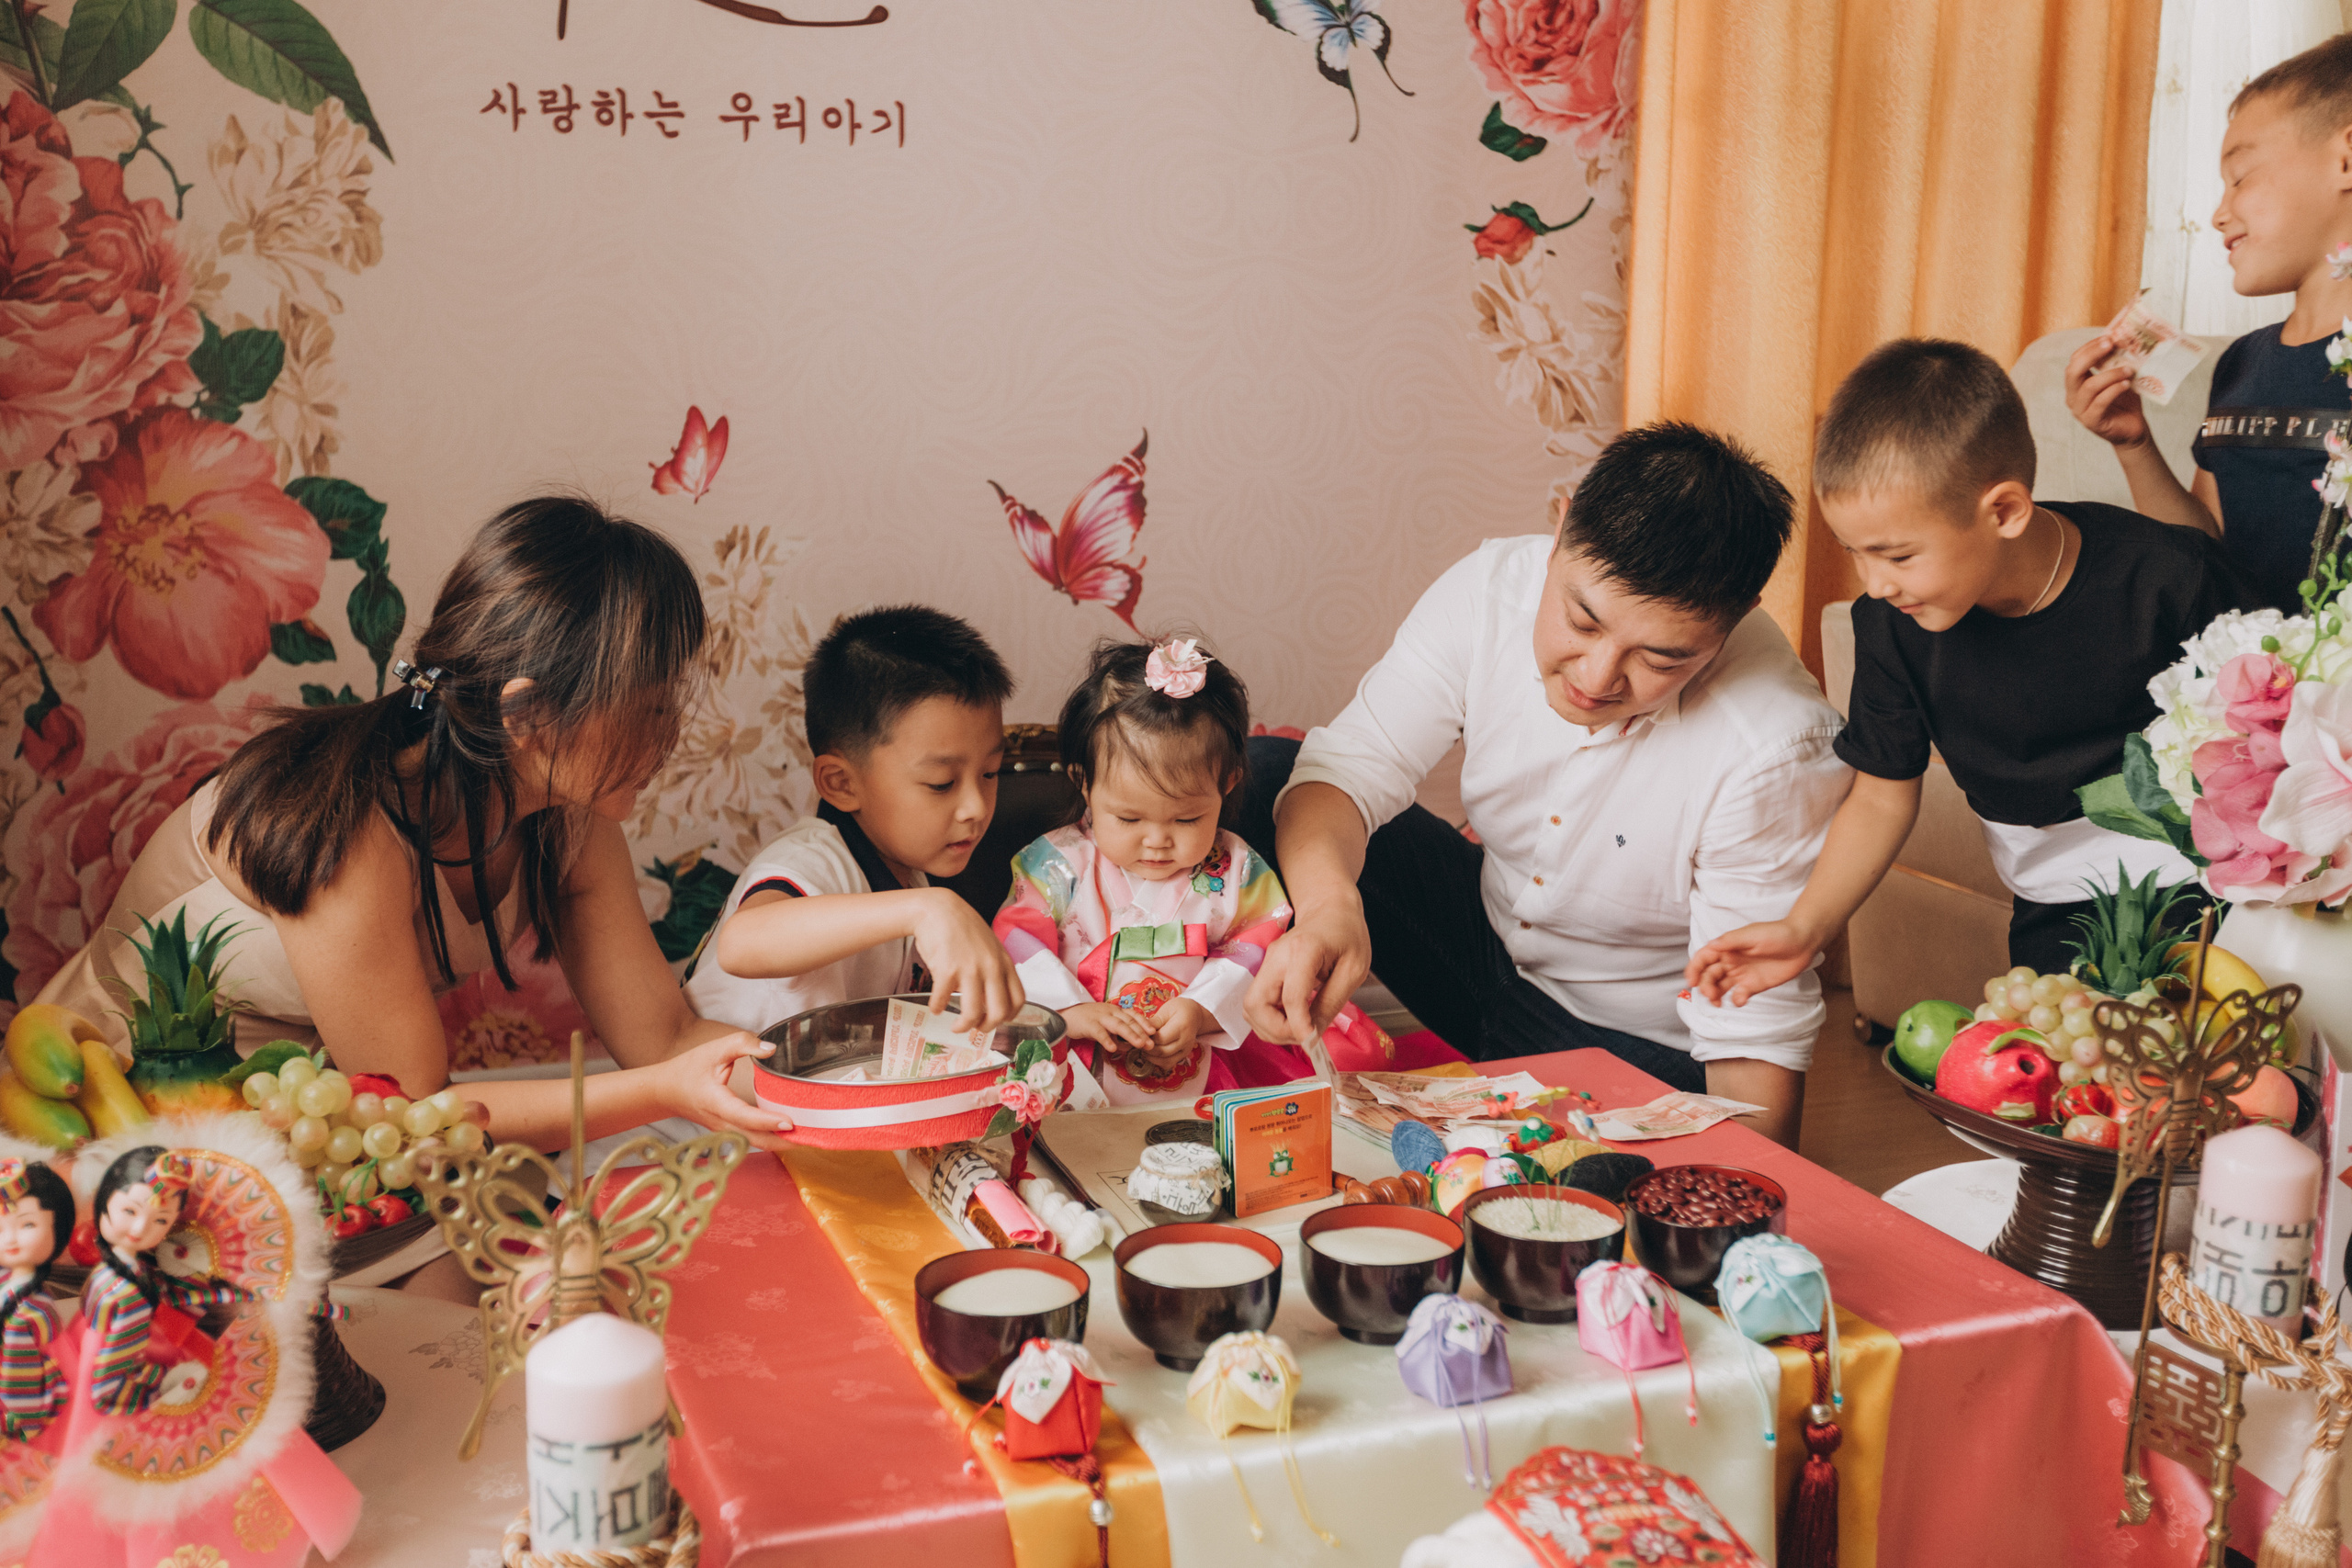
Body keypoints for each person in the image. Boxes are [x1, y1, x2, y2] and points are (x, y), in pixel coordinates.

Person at [32, 497, 788, 1156]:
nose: (669, 735)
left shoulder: (572, 828)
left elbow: (664, 1038)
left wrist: (839, 1087)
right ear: (525, 715)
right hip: (107, 1131)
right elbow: (417, 1107)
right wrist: (669, 1091)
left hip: (309, 1131)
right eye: (646, 707)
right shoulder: (343, 828)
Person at [1242, 423, 1849, 1149]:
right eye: (1581, 620)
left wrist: (1756, 1199)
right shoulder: (1489, 589)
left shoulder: (1775, 742)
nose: (1596, 677)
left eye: (1659, 657)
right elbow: (1349, 767)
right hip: (1482, 949)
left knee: (1624, 1190)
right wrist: (1329, 910)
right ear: (1559, 529)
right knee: (1265, 774)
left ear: (1735, 620)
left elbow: (1755, 1025)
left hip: (1624, 1040)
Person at [1690, 340, 2258, 1007]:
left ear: (2005, 511)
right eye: (1857, 554)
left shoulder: (2168, 577)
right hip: (2052, 902)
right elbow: (1881, 793)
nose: (1875, 584)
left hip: (2209, 888)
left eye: (1897, 555)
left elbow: (2264, 739)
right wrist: (1804, 926)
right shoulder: (1891, 624)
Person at [993, 637, 1383, 1104]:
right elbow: (1015, 941)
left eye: (1186, 819)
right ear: (1084, 782)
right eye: (1129, 819)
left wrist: (1201, 1009)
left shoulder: (1236, 871)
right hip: (1076, 1057)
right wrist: (1071, 1011)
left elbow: (1257, 944)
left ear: (1227, 784)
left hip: (1201, 1056)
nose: (1157, 840)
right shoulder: (1055, 864)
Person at [2065, 32, 2352, 610]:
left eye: (2241, 177)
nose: (2220, 213)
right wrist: (2134, 443)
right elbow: (2203, 555)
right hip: (2247, 678)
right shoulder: (2244, 362)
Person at [693, 605, 1027, 1035]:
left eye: (989, 774)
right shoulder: (813, 861)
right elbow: (742, 944)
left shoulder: (907, 874)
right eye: (941, 783)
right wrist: (928, 909)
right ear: (841, 783)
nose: (976, 807)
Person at [0, 1158, 72, 1443]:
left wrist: (23, 1426)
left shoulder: (29, 1311)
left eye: (27, 1224)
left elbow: (21, 1386)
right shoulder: (9, 1286)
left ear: (58, 1227)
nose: (10, 1238)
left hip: (19, 1412)